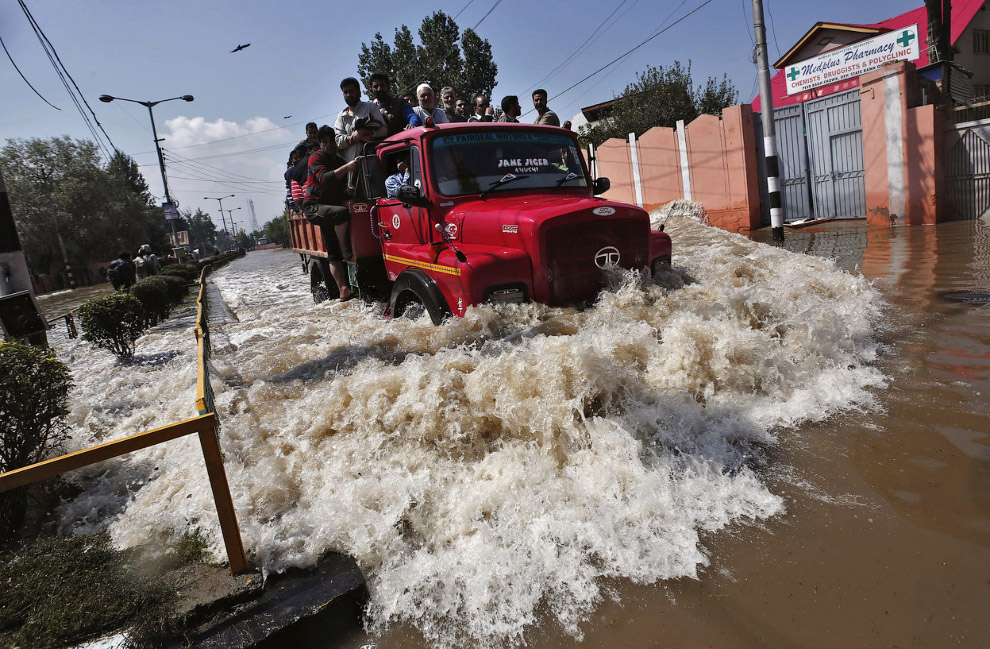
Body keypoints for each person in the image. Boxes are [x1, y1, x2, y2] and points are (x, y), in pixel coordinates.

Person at [303, 125, 359, 301]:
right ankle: (345, 248)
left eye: (332, 141)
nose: (329, 144)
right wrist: (348, 168)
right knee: (341, 213)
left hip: (329, 209)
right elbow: (325, 178)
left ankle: (344, 290)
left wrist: (349, 192)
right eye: (325, 142)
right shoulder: (315, 158)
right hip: (314, 207)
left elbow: (340, 189)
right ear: (320, 144)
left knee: (332, 255)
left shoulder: (339, 161)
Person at [333, 77, 387, 161]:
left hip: (373, 160)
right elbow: (338, 142)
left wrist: (366, 132)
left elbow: (384, 130)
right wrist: (352, 138)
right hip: (352, 165)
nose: (349, 95)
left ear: (359, 92)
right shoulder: (341, 116)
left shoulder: (370, 107)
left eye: (351, 91)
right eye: (345, 92)